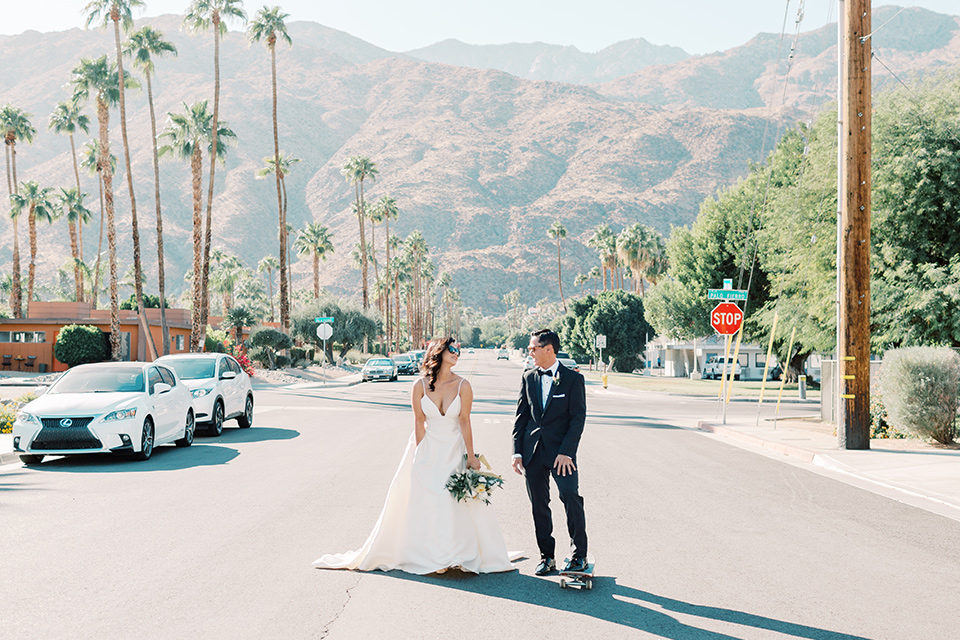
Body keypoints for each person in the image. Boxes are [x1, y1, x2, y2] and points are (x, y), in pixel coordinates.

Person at [314, 337, 516, 574]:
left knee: (453, 502)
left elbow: (464, 421)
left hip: (454, 450)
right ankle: (434, 555)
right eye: (452, 349)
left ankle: (457, 554)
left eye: (457, 350)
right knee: (430, 503)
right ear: (438, 352)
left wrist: (471, 457)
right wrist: (420, 454)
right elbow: (419, 422)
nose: (456, 353)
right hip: (427, 450)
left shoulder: (464, 386)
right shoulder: (419, 385)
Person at [512, 328, 589, 576]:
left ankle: (579, 555)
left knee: (570, 497)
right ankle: (547, 557)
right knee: (538, 505)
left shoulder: (573, 379)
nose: (530, 352)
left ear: (549, 349)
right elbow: (521, 417)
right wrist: (516, 452)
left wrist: (567, 451)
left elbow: (578, 419)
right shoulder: (528, 377)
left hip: (562, 455)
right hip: (532, 452)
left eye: (533, 348)